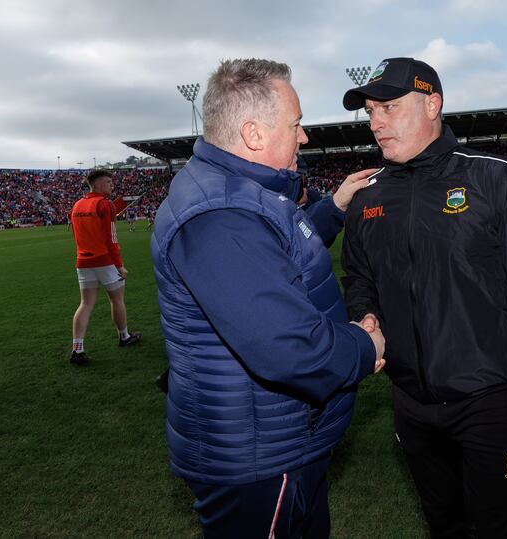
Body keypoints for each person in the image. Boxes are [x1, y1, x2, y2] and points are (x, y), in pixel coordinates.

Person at [340, 57, 507, 538]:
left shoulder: (496, 179)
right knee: (446, 529)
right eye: (371, 111)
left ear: (432, 104)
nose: (376, 123)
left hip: (493, 403)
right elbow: (358, 275)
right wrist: (366, 315)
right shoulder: (366, 196)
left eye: (389, 108)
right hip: (412, 404)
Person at [150, 58, 386, 538]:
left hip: (275, 442)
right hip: (257, 457)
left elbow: (275, 254)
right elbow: (288, 347)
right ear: (254, 134)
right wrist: (365, 349)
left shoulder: (235, 192)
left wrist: (333, 208)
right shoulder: (218, 216)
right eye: (296, 125)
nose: (304, 138)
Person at [69, 169, 141, 366]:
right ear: (98, 184)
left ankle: (77, 349)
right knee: (117, 299)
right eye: (108, 182)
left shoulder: (77, 205)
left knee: (85, 304)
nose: (112, 186)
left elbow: (76, 236)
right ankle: (124, 337)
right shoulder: (104, 204)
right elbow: (112, 239)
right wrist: (119, 265)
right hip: (104, 261)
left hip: (83, 261)